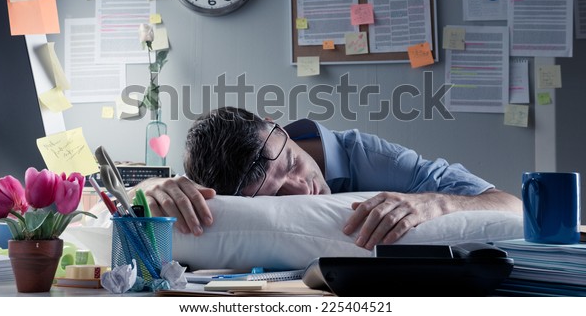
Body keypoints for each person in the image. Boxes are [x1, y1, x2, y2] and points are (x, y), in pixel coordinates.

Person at [135, 106, 522, 250]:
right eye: (276, 195)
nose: (303, 188)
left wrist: (436, 201)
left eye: (290, 166)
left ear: (277, 126)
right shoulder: (220, 175)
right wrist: (146, 187)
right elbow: (126, 196)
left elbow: (512, 206)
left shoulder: (378, 160)